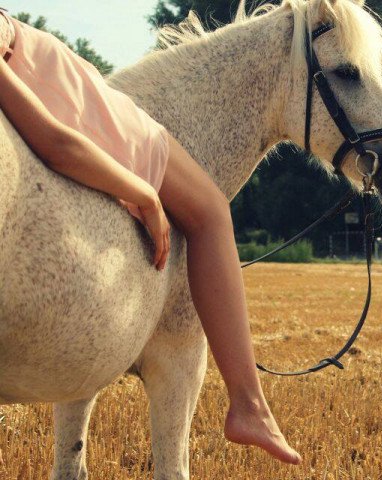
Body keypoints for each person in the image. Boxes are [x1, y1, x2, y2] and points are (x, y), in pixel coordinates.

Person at [0, 8, 301, 465]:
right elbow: (56, 143)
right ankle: (248, 404)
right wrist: (140, 189)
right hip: (68, 91)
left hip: (55, 78)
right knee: (210, 211)